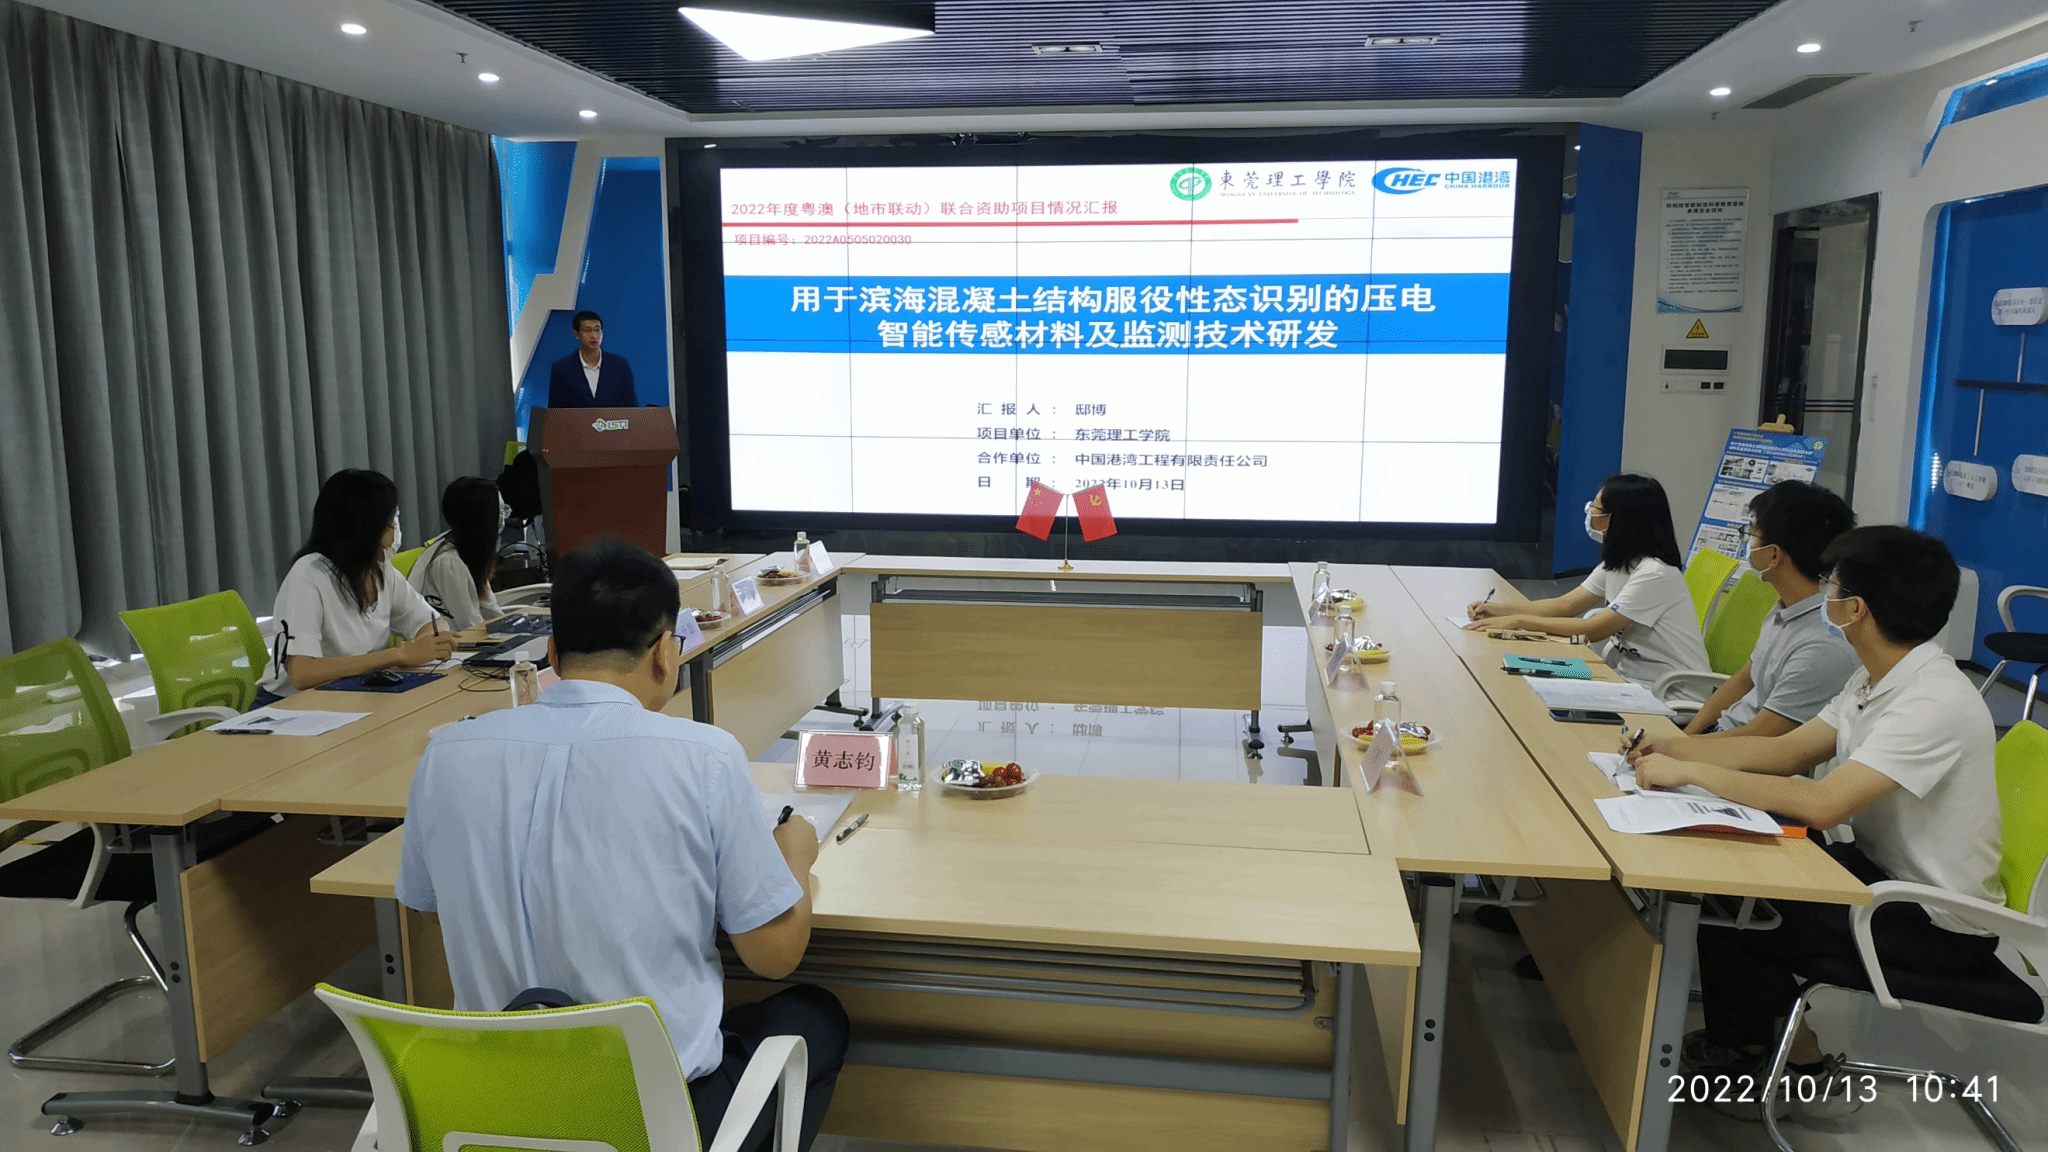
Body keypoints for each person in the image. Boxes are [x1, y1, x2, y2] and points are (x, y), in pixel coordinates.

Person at [395, 539, 846, 1151]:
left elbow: (426, 910)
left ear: (553, 654)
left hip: (486, 1113)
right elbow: (774, 955)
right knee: (814, 1015)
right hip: (646, 1123)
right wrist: (796, 851)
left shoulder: (446, 753)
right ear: (664, 652)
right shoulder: (704, 757)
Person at [1626, 527, 2037, 1115]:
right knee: (1733, 870)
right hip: (1880, 876)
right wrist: (1675, 748)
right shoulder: (1877, 676)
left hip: (1933, 921)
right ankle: (1758, 1046)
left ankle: (1794, 1066)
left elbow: (1823, 804)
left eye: (1832, 587)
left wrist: (1690, 773)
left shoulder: (1933, 701)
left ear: (1856, 609)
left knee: (1739, 902)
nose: (1824, 597)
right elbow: (1787, 752)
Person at [1467, 474, 1709, 693]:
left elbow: (1593, 630)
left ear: (1620, 520)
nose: (1590, 512)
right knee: (1528, 680)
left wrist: (1519, 622)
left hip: (1670, 694)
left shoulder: (1655, 574)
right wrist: (1497, 610)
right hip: (1632, 683)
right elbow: (1564, 606)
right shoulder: (1619, 564)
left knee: (1543, 693)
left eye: (1596, 508)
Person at [1683, 480, 1859, 738]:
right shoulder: (1785, 608)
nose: (1747, 543)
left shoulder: (1824, 646)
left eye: (1752, 534)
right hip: (1720, 737)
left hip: (1740, 752)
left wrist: (1678, 749)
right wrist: (1685, 736)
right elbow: (1743, 680)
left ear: (1774, 555)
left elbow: (1758, 738)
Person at [260, 469, 456, 698]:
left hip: (351, 695)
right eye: (389, 520)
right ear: (363, 527)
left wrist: (426, 646)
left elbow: (434, 623)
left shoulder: (380, 571)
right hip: (288, 704)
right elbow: (302, 673)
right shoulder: (308, 575)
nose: (395, 529)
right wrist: (398, 656)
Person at [408, 477, 506, 630]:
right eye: (499, 512)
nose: (503, 518)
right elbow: (469, 625)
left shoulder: (470, 554)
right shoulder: (448, 563)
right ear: (481, 517)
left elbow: (490, 608)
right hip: (454, 642)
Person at [546, 310, 636, 409]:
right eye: (587, 330)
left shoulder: (619, 365)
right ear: (576, 334)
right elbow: (555, 410)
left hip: (612, 419)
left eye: (597, 330)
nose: (593, 336)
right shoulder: (561, 368)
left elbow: (631, 406)